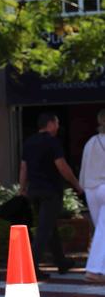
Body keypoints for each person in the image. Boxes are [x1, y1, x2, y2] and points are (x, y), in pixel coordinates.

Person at [19, 111, 83, 279]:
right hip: (50, 191)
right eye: (57, 123)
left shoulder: (29, 142)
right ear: (50, 124)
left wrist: (22, 188)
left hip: (35, 191)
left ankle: (61, 262)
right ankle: (31, 267)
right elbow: (62, 166)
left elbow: (23, 167)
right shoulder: (52, 142)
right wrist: (76, 184)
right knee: (44, 230)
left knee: (48, 226)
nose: (58, 126)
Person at [79, 108, 105, 284]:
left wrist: (82, 187)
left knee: (101, 230)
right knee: (103, 231)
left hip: (90, 188)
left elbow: (83, 167)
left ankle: (98, 268)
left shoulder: (90, 142)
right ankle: (94, 269)